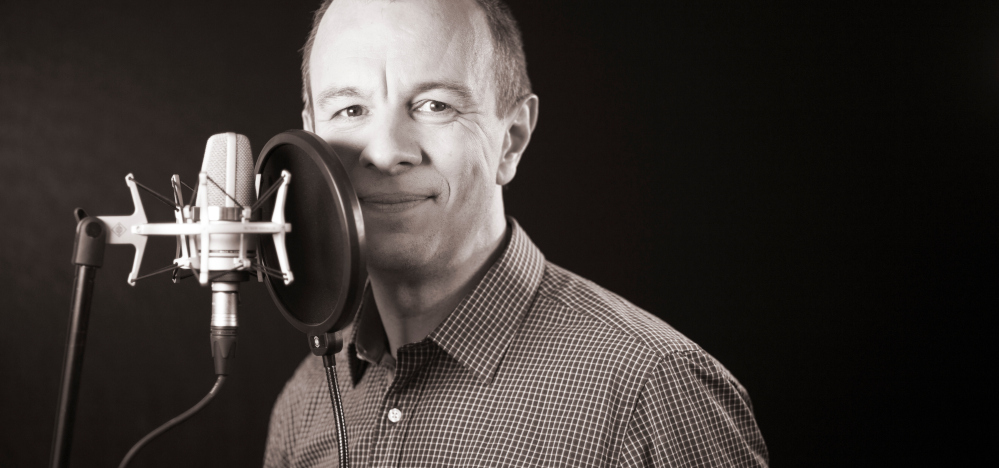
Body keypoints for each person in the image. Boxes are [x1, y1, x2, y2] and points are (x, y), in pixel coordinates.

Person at [264, 0, 769, 466]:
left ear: (512, 140)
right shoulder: (304, 402)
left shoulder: (655, 392)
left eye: (435, 105)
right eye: (350, 110)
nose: (386, 150)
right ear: (312, 138)